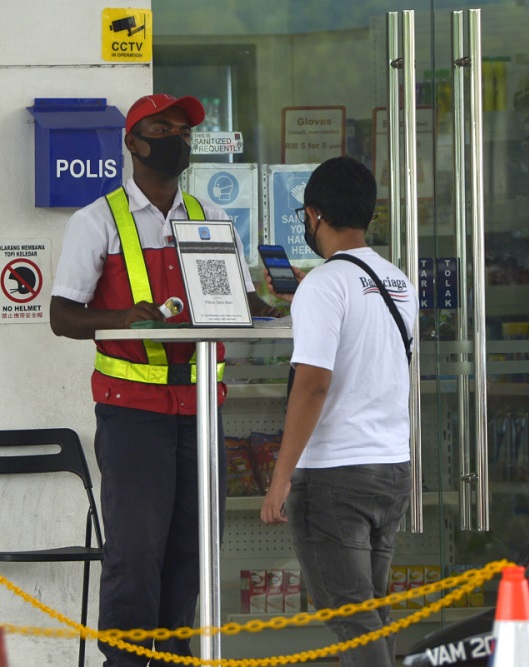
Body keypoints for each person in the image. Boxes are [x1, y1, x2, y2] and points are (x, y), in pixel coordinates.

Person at [50, 93, 280, 666]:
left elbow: (235, 299)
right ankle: (125, 663)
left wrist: (270, 304)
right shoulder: (96, 220)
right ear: (132, 142)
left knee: (193, 553)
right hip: (133, 412)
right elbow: (62, 316)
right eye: (162, 128)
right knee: (134, 553)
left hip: (201, 410)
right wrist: (118, 317)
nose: (176, 138)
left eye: (183, 130)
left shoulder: (211, 218)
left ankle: (178, 660)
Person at [260, 156, 416, 667]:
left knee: (353, 620)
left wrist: (281, 477)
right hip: (390, 467)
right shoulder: (397, 281)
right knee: (370, 614)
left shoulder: (324, 286)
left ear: (314, 215)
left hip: (335, 477)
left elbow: (312, 387)